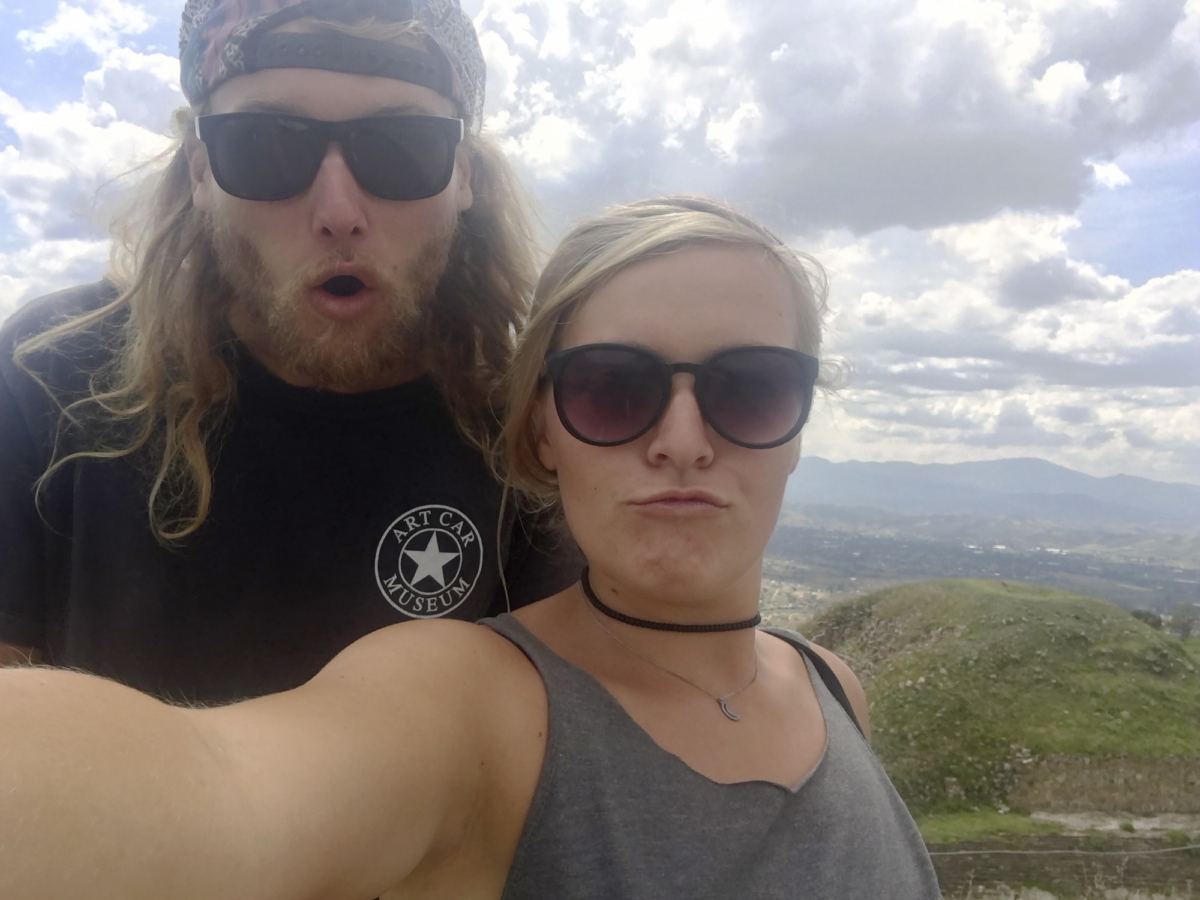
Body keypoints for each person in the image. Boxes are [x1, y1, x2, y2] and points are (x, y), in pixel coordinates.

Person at [0, 197, 940, 899]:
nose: (684, 439)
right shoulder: (471, 703)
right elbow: (222, 792)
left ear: (798, 429)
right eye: (613, 388)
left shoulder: (834, 690)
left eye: (753, 388)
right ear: (541, 435)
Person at [0, 0, 577, 700]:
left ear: (463, 176)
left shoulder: (526, 429)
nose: (338, 212)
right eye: (266, 145)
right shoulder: (52, 376)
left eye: (401, 148)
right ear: (200, 172)